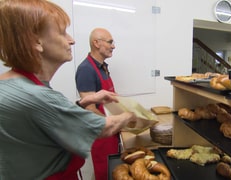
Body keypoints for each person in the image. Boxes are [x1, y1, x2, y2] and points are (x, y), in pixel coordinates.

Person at [0, 1, 137, 179]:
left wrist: (82, 103)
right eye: (62, 32)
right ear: (35, 42)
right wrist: (133, 114)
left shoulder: (10, 84)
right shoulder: (38, 97)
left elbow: (46, 119)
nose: (71, 40)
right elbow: (102, 127)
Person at [75, 28, 118, 180]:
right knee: (104, 172)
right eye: (110, 42)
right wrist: (116, 123)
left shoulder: (103, 66)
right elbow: (90, 109)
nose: (113, 46)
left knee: (113, 170)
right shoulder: (86, 69)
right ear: (96, 43)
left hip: (111, 129)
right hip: (102, 132)